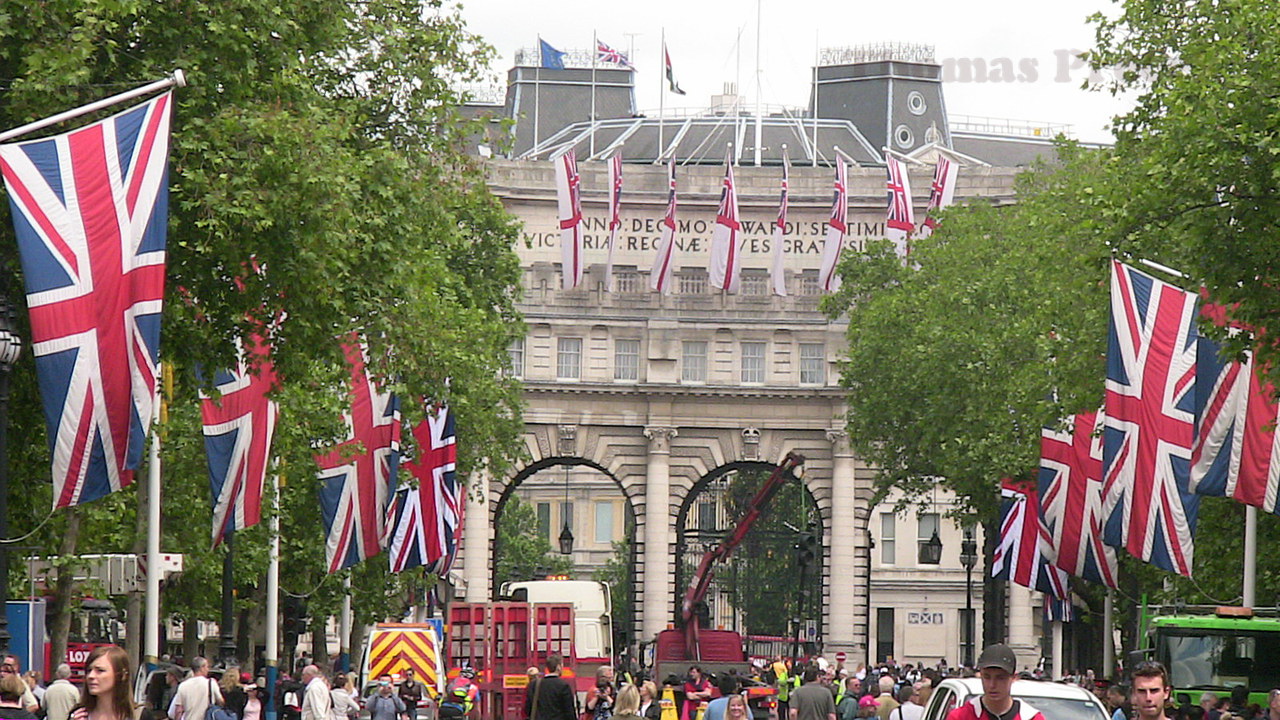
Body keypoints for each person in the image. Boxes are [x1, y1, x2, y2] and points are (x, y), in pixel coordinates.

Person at [944, 644, 1045, 720]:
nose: (992, 685)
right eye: (987, 677)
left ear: (1014, 678)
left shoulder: (1031, 717)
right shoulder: (961, 716)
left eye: (1000, 678)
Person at [72, 645, 152, 720]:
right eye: (89, 670)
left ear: (122, 675)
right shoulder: (78, 714)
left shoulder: (139, 715)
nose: (91, 676)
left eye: (100, 670)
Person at [524, 654, 577, 720]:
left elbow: (527, 709)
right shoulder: (563, 686)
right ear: (558, 667)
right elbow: (569, 712)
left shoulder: (534, 684)